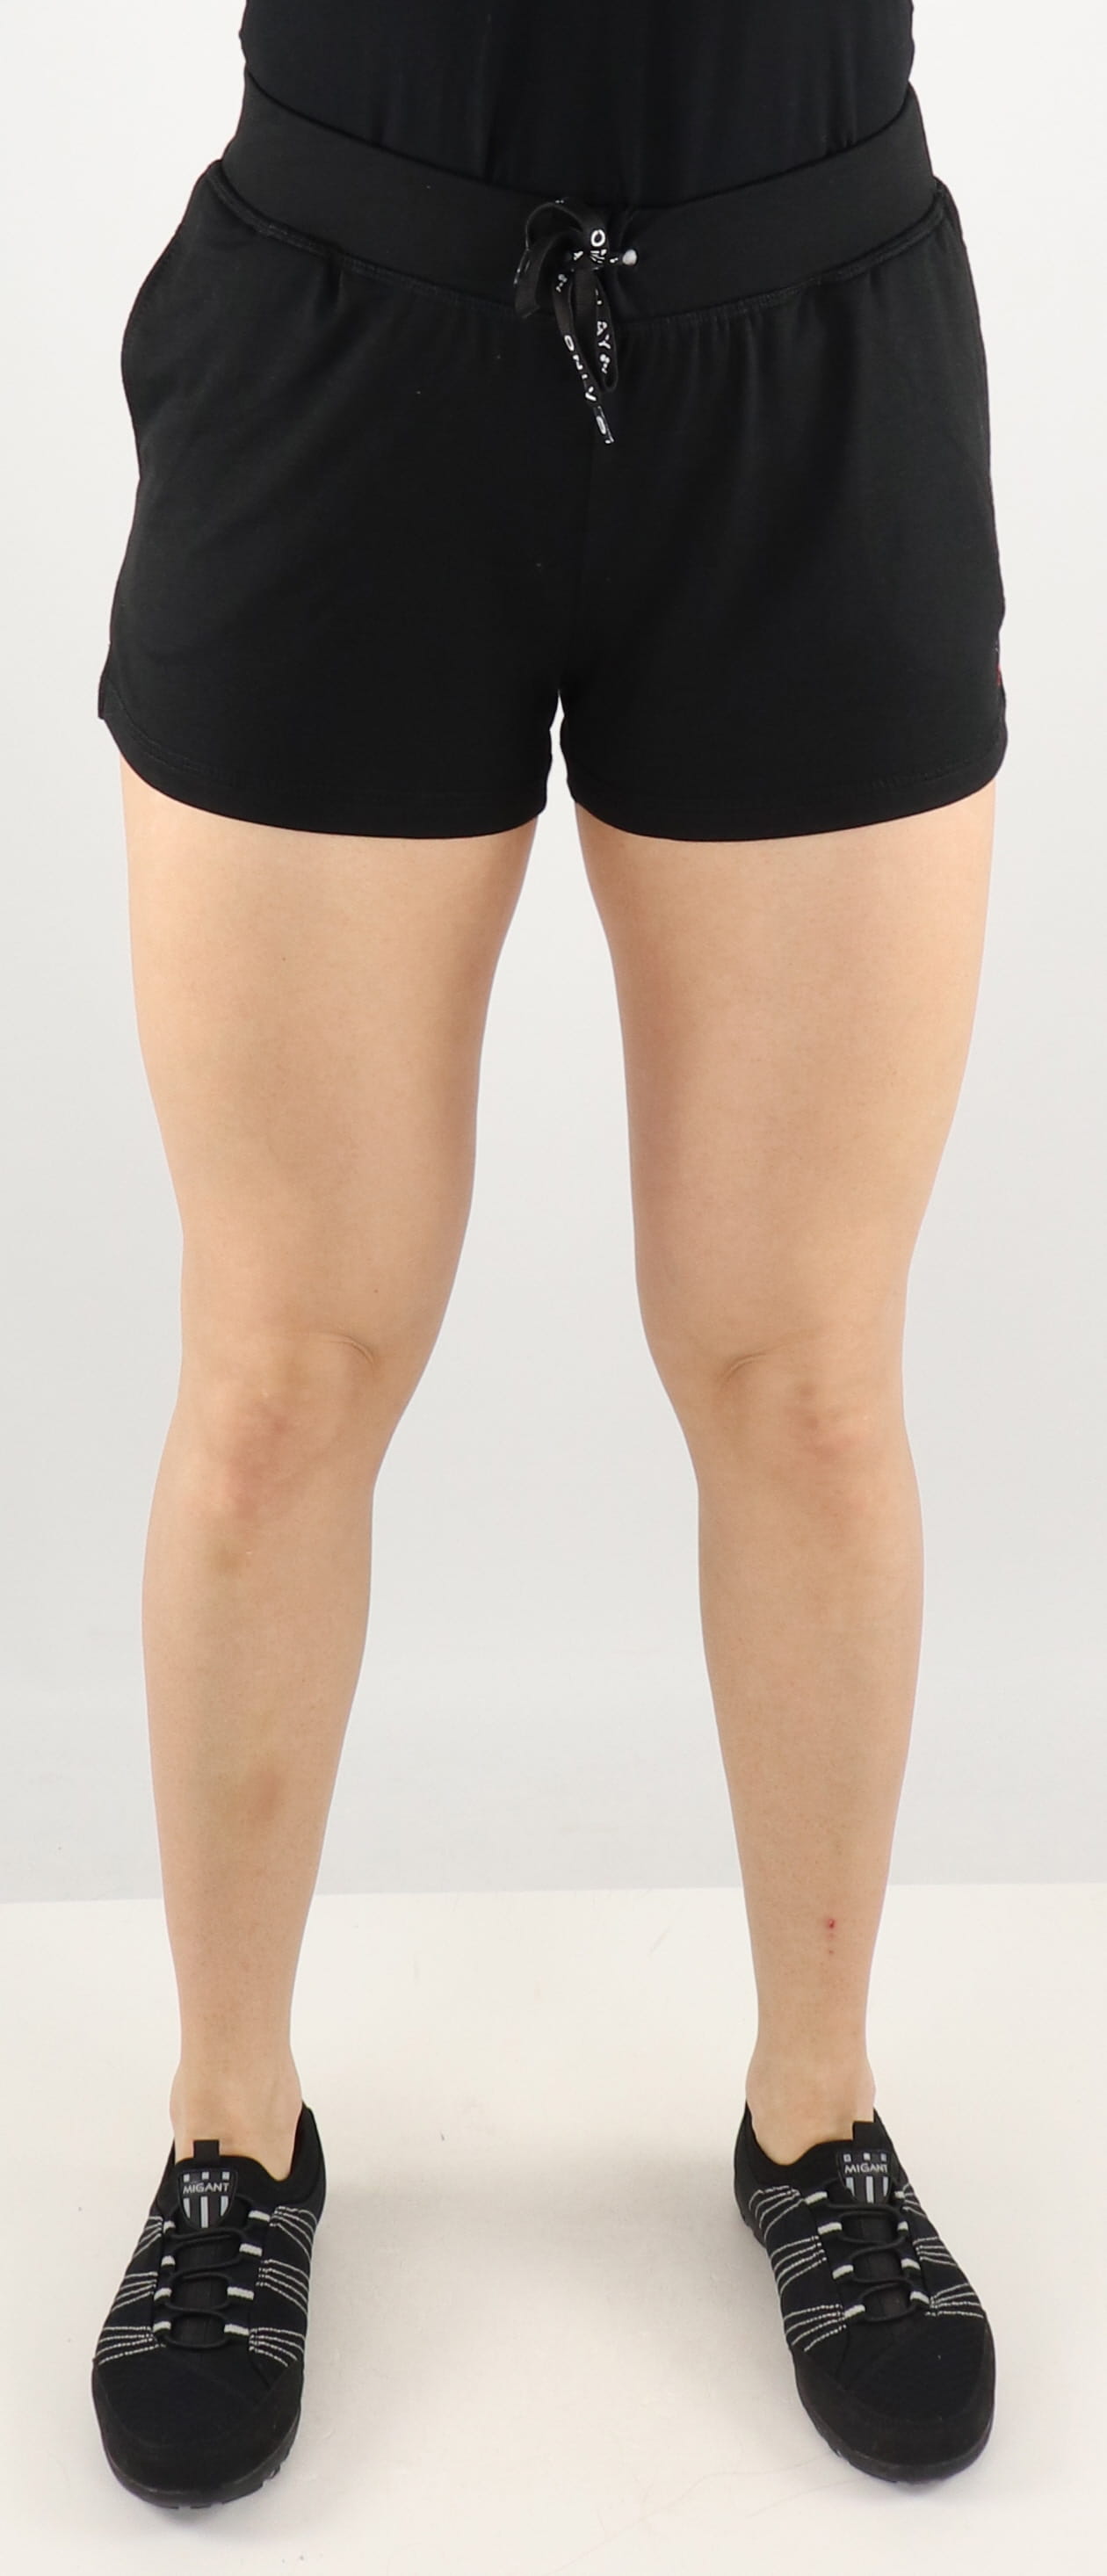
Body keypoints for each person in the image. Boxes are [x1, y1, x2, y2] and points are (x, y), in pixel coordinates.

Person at [89, 0, 1007, 2508]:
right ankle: (227, 2127)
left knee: (802, 1368)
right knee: (281, 1368)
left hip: (806, 317)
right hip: (350, 310)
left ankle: (815, 2110)